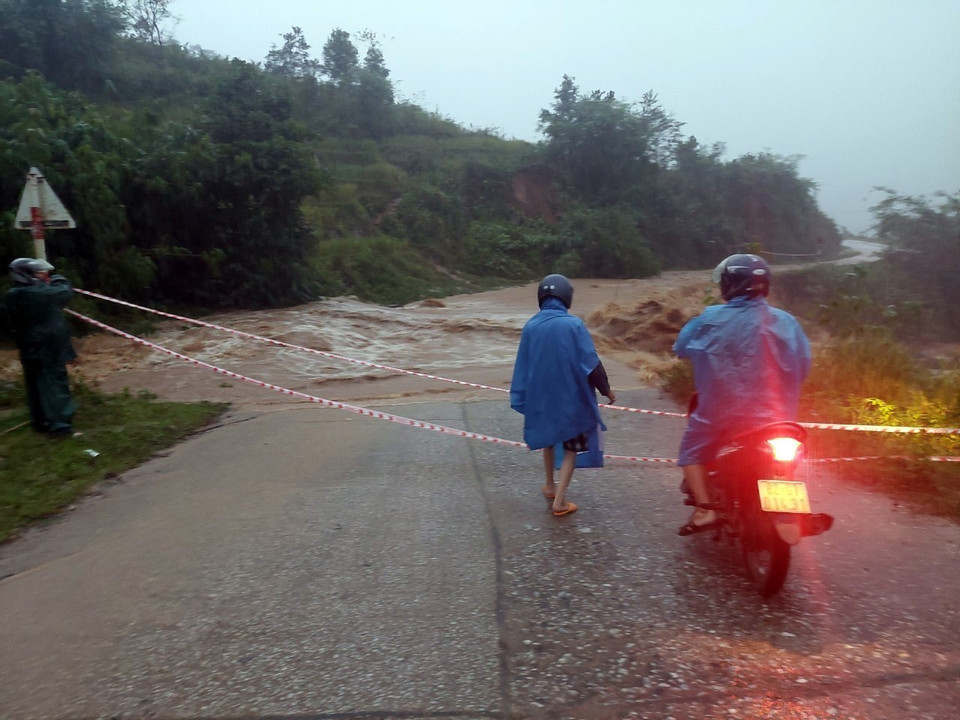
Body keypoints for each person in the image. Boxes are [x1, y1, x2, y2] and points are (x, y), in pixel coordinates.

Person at [673, 253, 811, 535]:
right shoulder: (788, 322)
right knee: (788, 457)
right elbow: (804, 365)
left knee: (690, 452)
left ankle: (704, 511)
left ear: (729, 284)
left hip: (720, 418)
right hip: (778, 420)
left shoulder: (709, 319)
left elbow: (681, 348)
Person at [510, 274, 616, 517]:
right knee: (571, 447)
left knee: (548, 439)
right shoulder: (573, 325)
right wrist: (606, 390)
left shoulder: (531, 326)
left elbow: (523, 366)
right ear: (566, 297)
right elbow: (591, 364)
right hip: (571, 399)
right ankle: (560, 501)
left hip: (542, 397)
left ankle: (549, 485)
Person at [5, 257, 77, 437]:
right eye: (38, 273)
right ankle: (60, 425)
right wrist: (58, 278)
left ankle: (42, 422)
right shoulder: (36, 293)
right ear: (25, 275)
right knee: (54, 383)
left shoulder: (13, 294)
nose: (42, 276)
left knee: (36, 384)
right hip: (47, 347)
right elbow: (64, 292)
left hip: (29, 345)